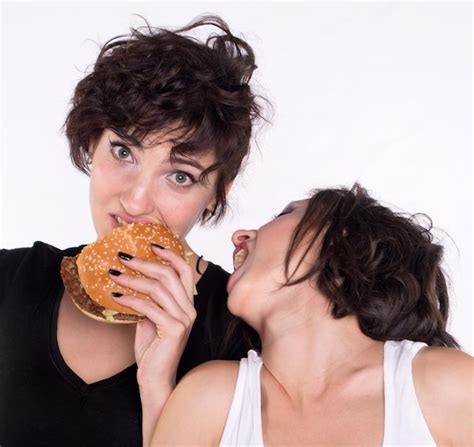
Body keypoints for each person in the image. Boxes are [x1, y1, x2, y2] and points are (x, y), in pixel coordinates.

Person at [0, 15, 263, 447]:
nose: (136, 203)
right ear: (90, 142)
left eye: (180, 175)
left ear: (217, 192)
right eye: (123, 151)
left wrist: (159, 386)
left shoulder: (243, 334)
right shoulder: (11, 278)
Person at [133, 184, 472, 446]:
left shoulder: (442, 386)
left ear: (342, 243)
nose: (240, 236)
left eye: (284, 214)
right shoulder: (209, 398)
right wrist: (154, 383)